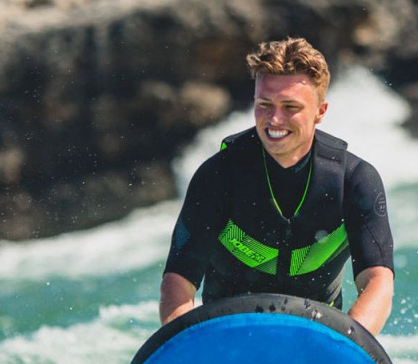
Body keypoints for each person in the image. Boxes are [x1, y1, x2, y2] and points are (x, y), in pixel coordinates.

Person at [159, 37, 394, 334]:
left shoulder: (354, 180)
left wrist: (348, 344)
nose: (274, 119)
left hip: (318, 340)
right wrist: (189, 344)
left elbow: (378, 280)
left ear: (320, 111)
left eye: (290, 106)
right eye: (264, 105)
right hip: (228, 339)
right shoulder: (218, 176)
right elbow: (177, 282)